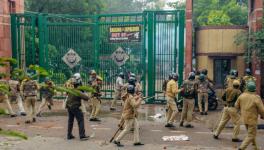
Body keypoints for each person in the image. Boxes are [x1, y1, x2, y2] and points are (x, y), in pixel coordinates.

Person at [235, 81, 264, 150]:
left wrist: (240, 110)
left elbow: (236, 105)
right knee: (251, 135)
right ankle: (242, 148)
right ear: (254, 89)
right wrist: (262, 115)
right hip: (252, 120)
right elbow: (262, 110)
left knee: (251, 133)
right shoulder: (256, 97)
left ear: (247, 88)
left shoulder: (242, 96)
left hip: (244, 119)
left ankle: (255, 147)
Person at [66, 76, 90, 141]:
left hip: (69, 107)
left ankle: (69, 135)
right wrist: (85, 92)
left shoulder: (71, 90)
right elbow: (87, 98)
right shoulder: (78, 91)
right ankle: (82, 136)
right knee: (81, 120)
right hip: (75, 107)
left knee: (70, 121)